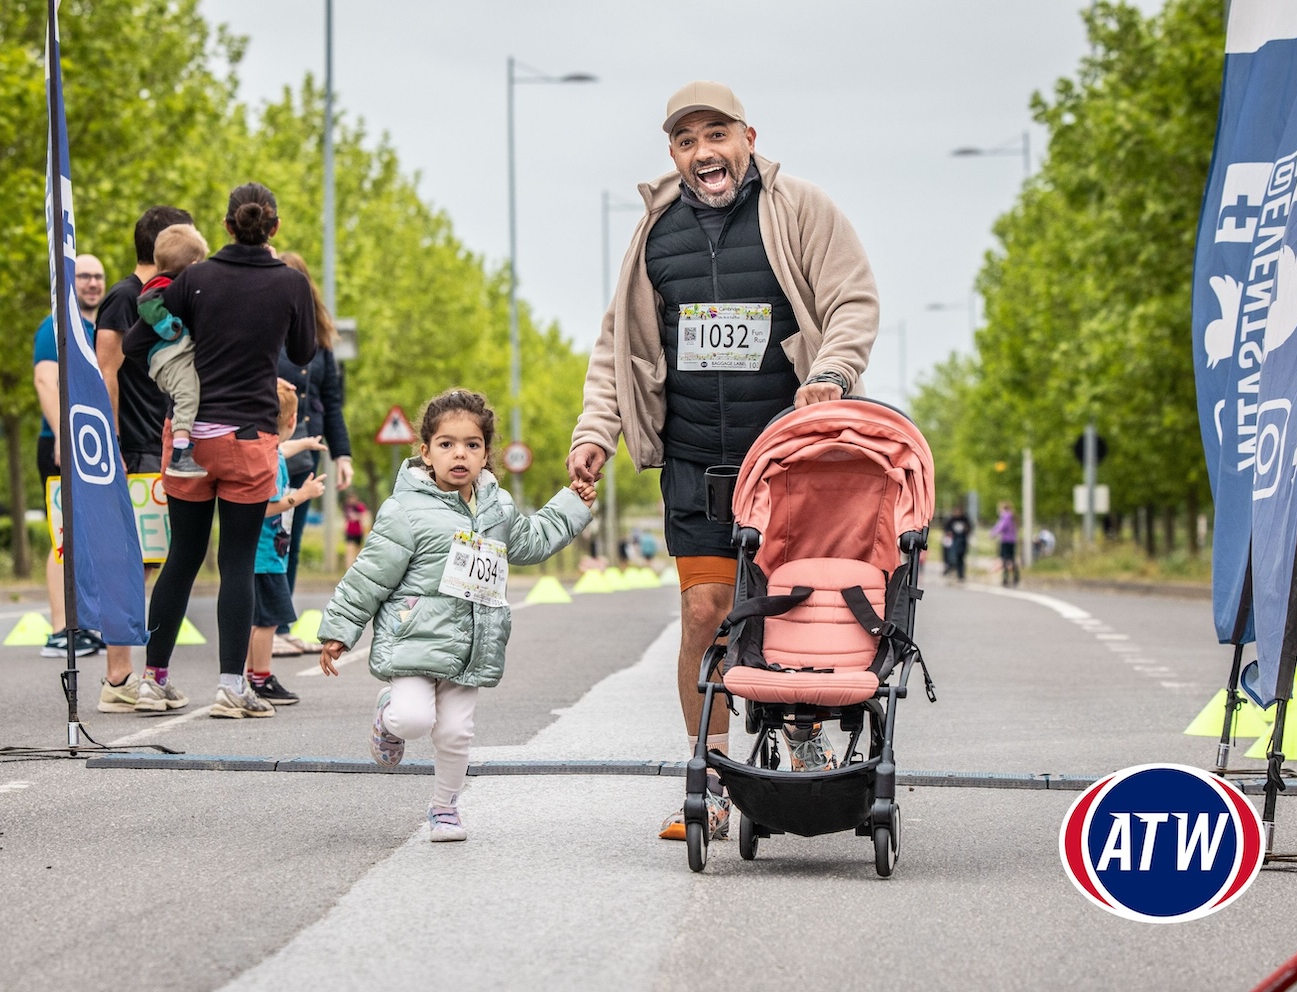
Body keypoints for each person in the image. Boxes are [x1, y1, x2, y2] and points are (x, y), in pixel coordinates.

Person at [566, 81, 880, 841]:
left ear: (747, 136)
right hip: (696, 457)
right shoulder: (655, 233)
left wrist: (830, 377)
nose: (703, 152)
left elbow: (853, 302)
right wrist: (595, 431)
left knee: (800, 609)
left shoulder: (799, 207)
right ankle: (707, 778)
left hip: (794, 461)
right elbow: (620, 347)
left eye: (716, 135)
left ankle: (802, 739)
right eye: (685, 141)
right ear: (673, 154)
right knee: (705, 613)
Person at [317, 390, 595, 842]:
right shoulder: (405, 510)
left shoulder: (498, 507)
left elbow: (535, 540)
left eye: (471, 444)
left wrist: (574, 503)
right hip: (414, 640)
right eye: (446, 444)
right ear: (424, 451)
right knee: (412, 720)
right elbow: (369, 576)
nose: (459, 454)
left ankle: (444, 807)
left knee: (456, 732)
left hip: (473, 643)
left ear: (487, 453)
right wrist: (339, 630)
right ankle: (387, 713)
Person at [123, 182, 318, 717]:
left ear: (227, 226)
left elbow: (138, 343)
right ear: (273, 228)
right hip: (250, 439)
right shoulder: (291, 284)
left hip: (188, 438)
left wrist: (179, 364)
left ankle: (151, 680)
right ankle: (233, 687)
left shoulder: (195, 279)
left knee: (181, 558)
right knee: (236, 563)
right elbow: (303, 351)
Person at [93, 204, 196, 714]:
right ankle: (117, 679)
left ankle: (137, 674)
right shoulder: (123, 298)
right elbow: (104, 370)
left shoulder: (163, 297)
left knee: (150, 562)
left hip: (158, 441)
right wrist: (107, 442)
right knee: (128, 562)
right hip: (129, 444)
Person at [274, 250, 353, 654]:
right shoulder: (263, 332)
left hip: (309, 452)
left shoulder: (321, 342)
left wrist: (343, 455)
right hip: (271, 450)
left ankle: (280, 625)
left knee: (291, 539)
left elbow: (332, 401)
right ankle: (267, 626)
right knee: (271, 536)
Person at [32, 252, 105, 658]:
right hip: (62, 444)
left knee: (90, 535)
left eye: (97, 277)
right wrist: (64, 433)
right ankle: (61, 630)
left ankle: (86, 624)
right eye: (83, 277)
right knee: (64, 535)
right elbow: (45, 379)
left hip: (95, 447)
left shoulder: (96, 329)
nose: (92, 283)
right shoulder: (56, 326)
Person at [240, 381, 326, 709]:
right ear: (291, 421)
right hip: (266, 556)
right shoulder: (272, 464)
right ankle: (260, 677)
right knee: (267, 621)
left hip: (264, 554)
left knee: (259, 618)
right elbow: (265, 506)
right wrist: (301, 496)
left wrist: (303, 442)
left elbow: (282, 447)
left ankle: (252, 674)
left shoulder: (266, 451)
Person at [136, 223, 210, 478]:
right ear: (192, 265)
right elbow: (146, 304)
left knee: (190, 392)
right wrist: (168, 325)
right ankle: (181, 455)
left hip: (173, 354)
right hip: (168, 355)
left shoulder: (173, 284)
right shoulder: (161, 284)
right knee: (187, 395)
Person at [991, 501, 1019, 587]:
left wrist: (993, 533)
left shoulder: (1005, 516)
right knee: (1011, 559)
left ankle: (1006, 579)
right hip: (1012, 540)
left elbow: (1001, 526)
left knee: (1005, 559)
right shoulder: (1012, 516)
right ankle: (1015, 577)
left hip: (1006, 540)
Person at [944, 505, 973, 582]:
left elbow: (969, 528)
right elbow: (946, 528)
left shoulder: (965, 519)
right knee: (952, 556)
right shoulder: (951, 519)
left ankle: (960, 574)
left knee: (961, 557)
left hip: (962, 541)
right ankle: (951, 570)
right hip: (953, 541)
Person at [343, 495, 368, 568]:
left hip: (358, 532)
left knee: (358, 551)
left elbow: (364, 515)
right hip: (350, 532)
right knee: (349, 551)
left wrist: (356, 516)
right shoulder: (347, 507)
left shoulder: (359, 506)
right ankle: (348, 568)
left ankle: (357, 567)